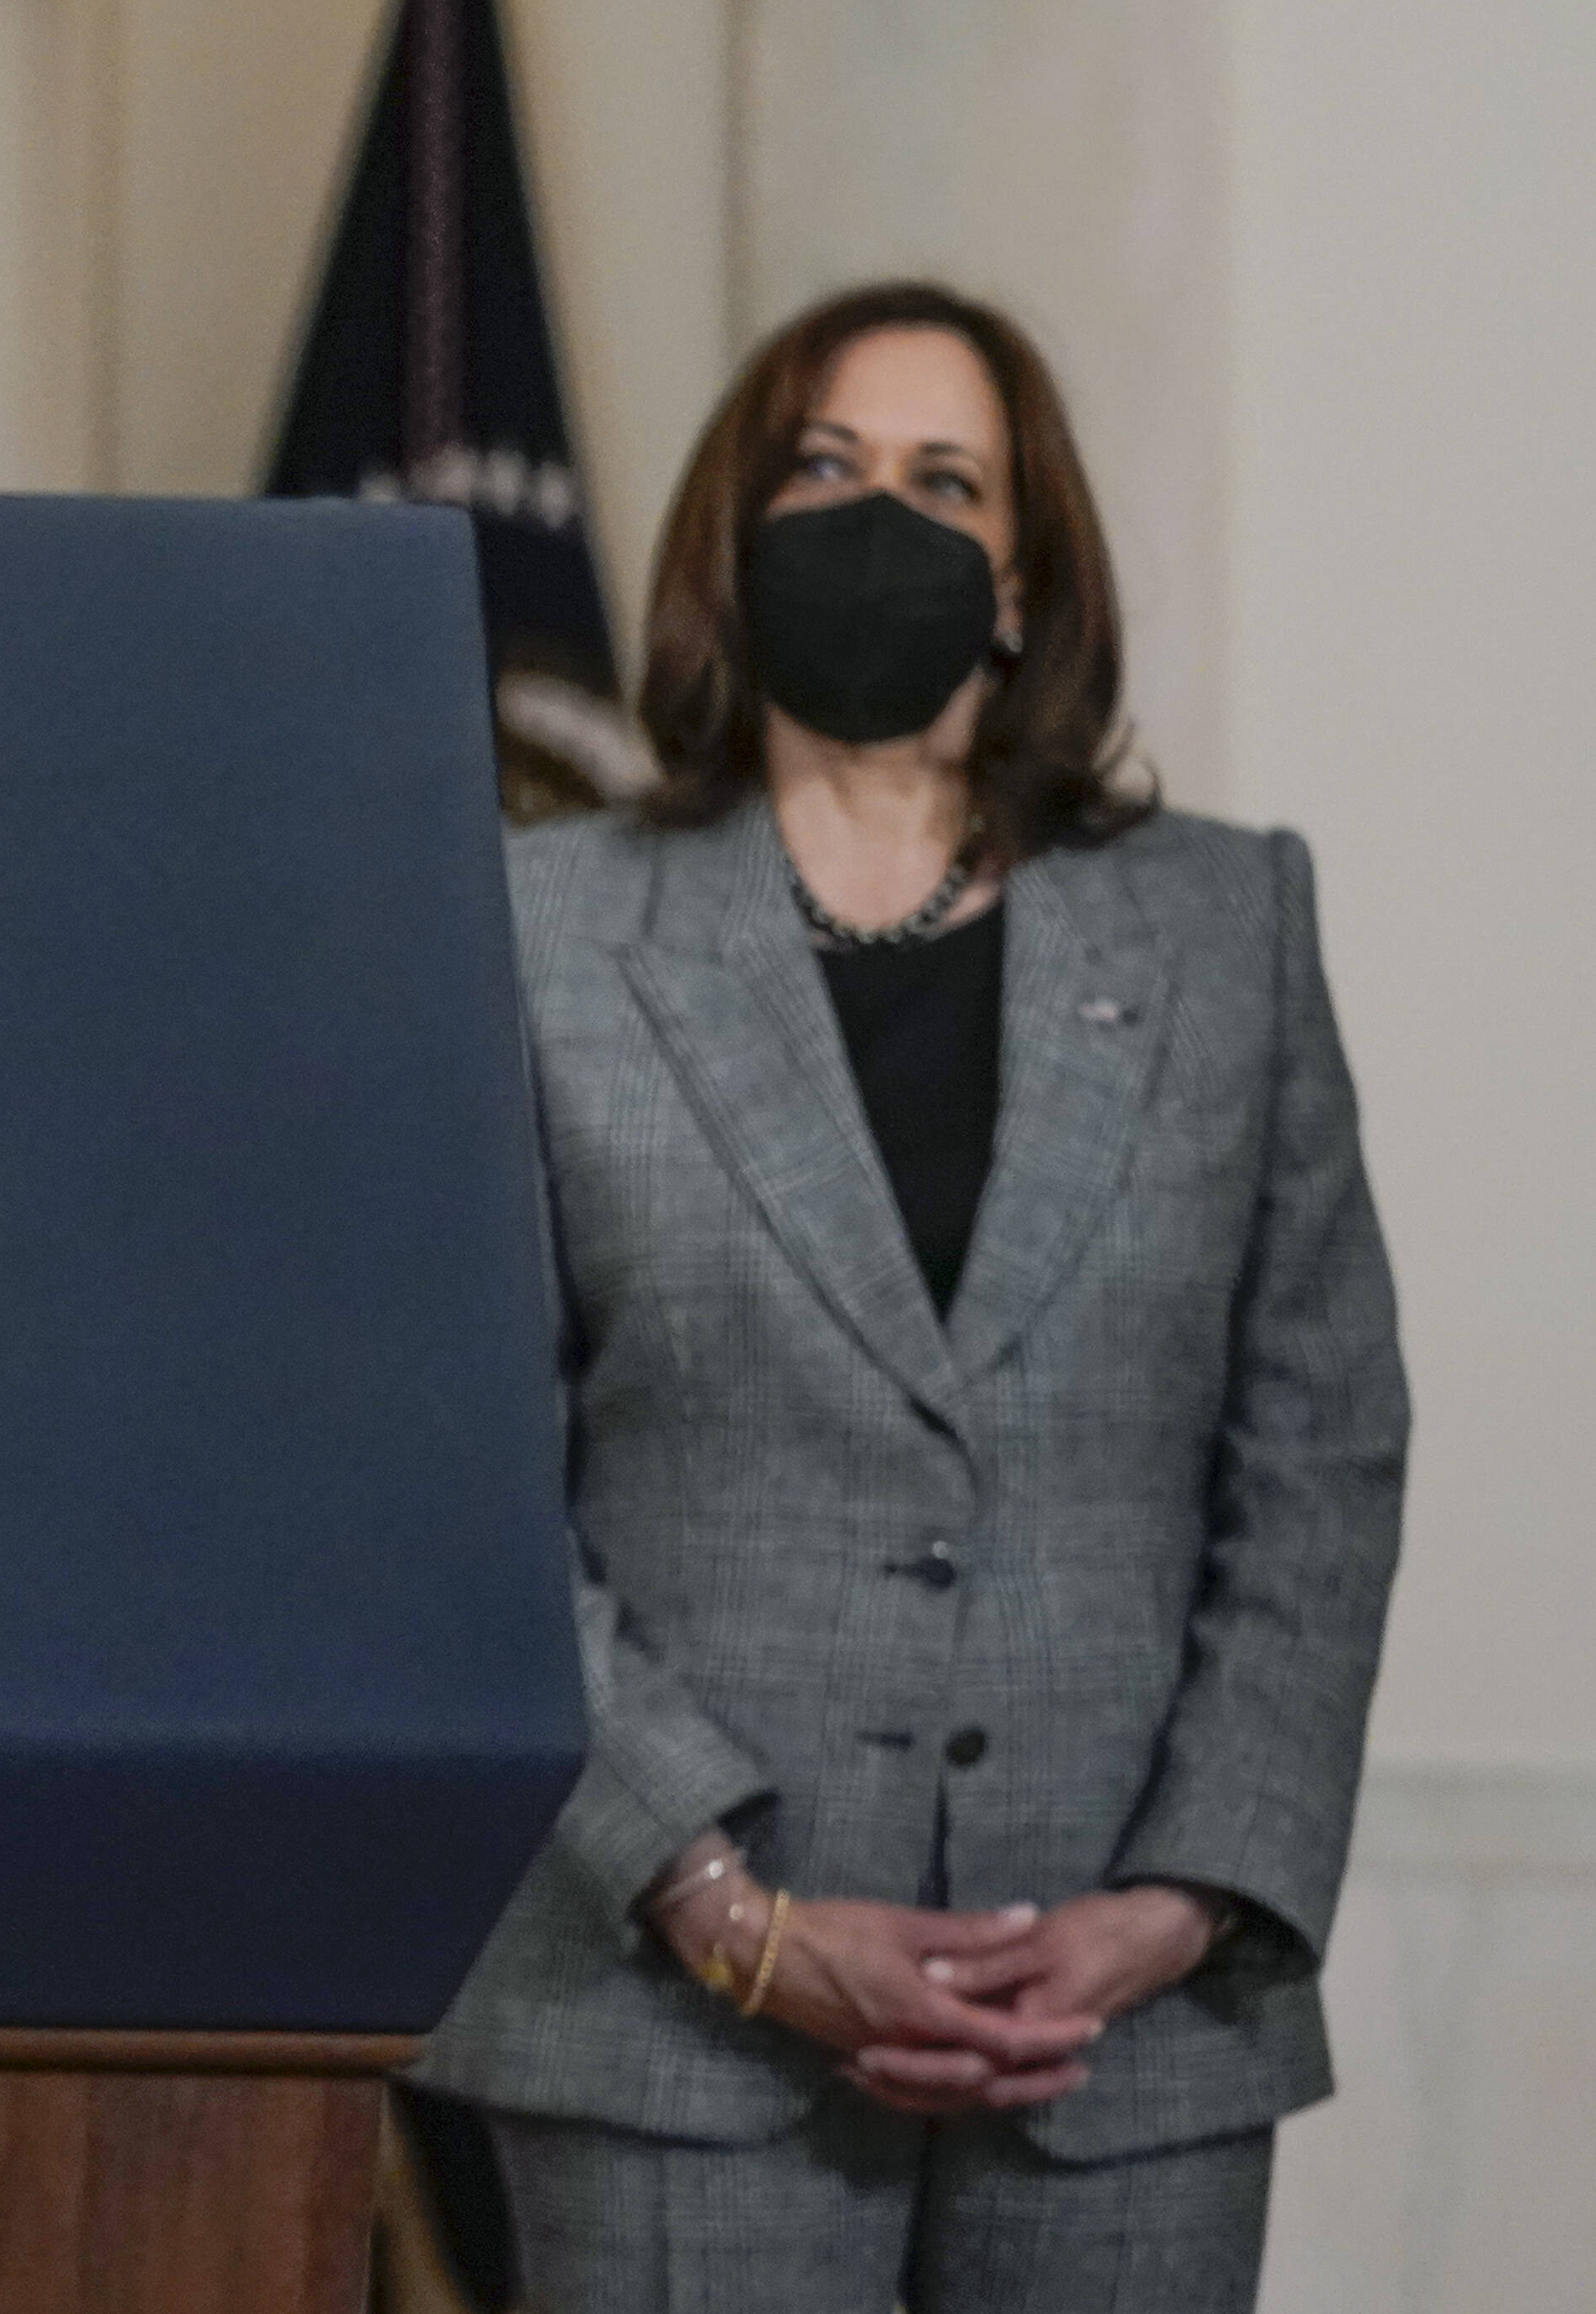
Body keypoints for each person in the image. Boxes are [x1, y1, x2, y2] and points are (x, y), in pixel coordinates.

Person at [412, 282, 1407, 2310]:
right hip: (670, 2027)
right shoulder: (537, 926)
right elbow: (460, 1472)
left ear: (1024, 581)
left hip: (1127, 2041)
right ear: (738, 529)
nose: (884, 517)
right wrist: (723, 1905)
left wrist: (1185, 1897)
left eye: (949, 482)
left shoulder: (1228, 924)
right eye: (828, 466)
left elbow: (1321, 1448)